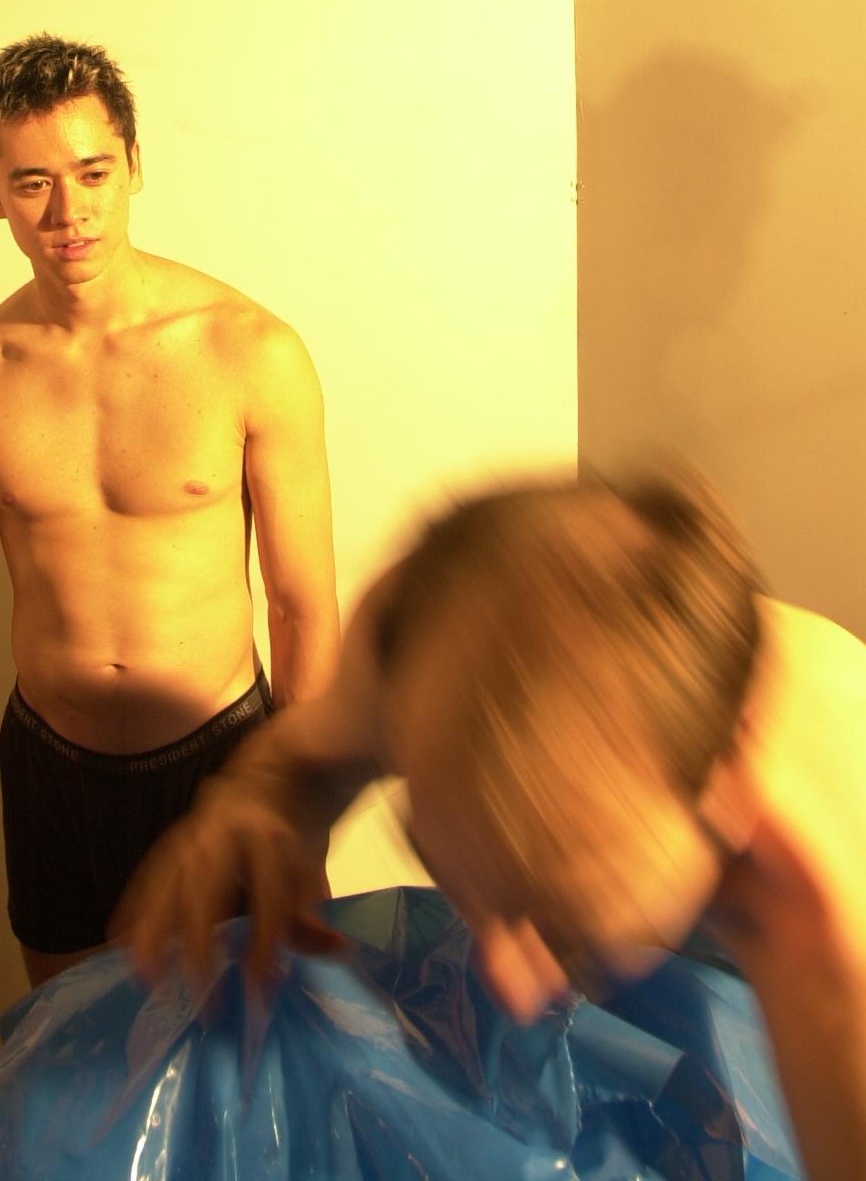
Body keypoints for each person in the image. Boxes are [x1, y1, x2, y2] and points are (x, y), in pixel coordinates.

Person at [119, 474, 866, 1181]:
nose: (501, 982)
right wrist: (256, 805)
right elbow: (303, 761)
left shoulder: (834, 904)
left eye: (555, 917)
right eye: (453, 872)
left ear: (729, 787)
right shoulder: (424, 635)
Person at [0, 34, 339, 1012]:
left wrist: (302, 829)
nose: (69, 211)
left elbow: (302, 607)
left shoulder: (250, 351)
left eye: (93, 173)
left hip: (223, 762)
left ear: (135, 165)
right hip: (51, 773)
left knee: (244, 1067)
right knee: (77, 1065)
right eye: (32, 183)